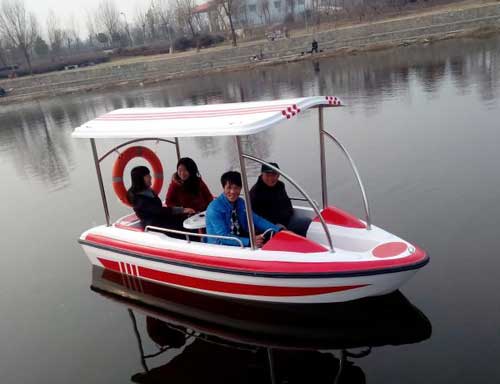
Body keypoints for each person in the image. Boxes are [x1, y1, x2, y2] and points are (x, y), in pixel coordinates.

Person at [206, 171, 280, 247]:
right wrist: (249, 241)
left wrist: (277, 230)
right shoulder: (214, 208)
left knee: (271, 240)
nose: (232, 191)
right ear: (223, 188)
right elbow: (223, 236)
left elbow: (256, 219)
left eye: (236, 188)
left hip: (240, 240)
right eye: (229, 188)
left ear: (241, 188)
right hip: (221, 246)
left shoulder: (241, 202)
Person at [127, 166, 195, 230]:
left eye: (149, 175)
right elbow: (158, 210)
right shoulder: (138, 198)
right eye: (147, 176)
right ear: (140, 179)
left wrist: (182, 210)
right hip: (153, 224)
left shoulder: (148, 191)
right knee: (183, 224)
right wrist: (181, 210)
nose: (150, 177)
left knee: (186, 217)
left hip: (160, 218)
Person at [250, 162, 293, 228]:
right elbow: (256, 218)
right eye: (267, 175)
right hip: (268, 227)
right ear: (262, 175)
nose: (270, 178)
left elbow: (288, 206)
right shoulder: (255, 192)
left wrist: (284, 223)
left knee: (305, 222)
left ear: (278, 175)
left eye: (274, 175)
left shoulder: (280, 185)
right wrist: (277, 226)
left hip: (285, 221)